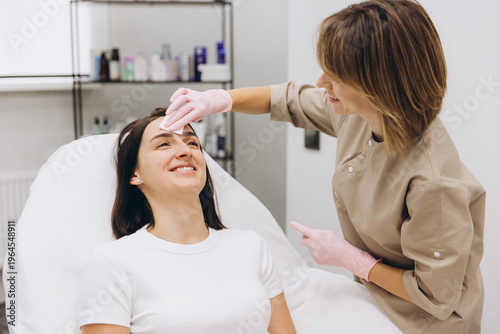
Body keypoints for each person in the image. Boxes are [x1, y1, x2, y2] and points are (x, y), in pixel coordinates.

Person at [160, 1, 485, 333]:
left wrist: (353, 259)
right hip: (370, 299)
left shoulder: (434, 183)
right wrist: (221, 100)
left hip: (424, 321)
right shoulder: (363, 114)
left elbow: (436, 295)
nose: (321, 81)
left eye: (336, 75)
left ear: (377, 86)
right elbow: (289, 100)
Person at [77, 108, 297, 334]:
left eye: (192, 143)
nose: (185, 151)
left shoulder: (252, 246)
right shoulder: (113, 262)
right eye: (164, 144)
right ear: (135, 174)